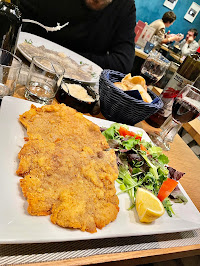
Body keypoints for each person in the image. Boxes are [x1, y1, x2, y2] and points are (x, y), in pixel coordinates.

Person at [18, 0, 136, 73]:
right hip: (28, 65)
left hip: (80, 84)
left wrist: (65, 60)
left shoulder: (125, 6)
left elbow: (123, 62)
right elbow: (17, 21)